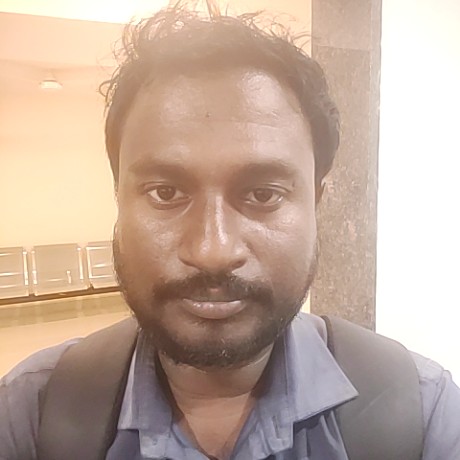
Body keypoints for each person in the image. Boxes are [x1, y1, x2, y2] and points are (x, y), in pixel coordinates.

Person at [1, 3, 459, 459]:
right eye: (165, 192)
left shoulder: (424, 413)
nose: (213, 250)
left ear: (317, 202)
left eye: (263, 194)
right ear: (118, 196)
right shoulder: (28, 413)